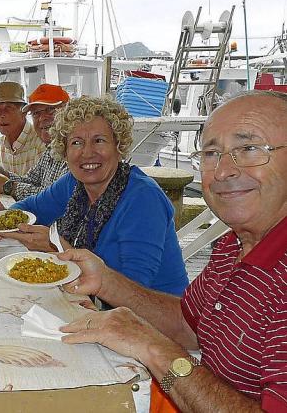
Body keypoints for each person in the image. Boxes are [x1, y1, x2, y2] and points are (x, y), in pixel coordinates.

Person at [57, 90, 287, 412]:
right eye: (211, 153)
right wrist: (105, 281)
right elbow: (190, 325)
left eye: (249, 149)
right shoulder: (232, 245)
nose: (223, 171)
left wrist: (155, 349)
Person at [0, 95, 188, 296]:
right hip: (92, 300)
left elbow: (132, 291)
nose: (87, 153)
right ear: (64, 151)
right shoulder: (74, 183)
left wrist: (56, 247)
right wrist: (0, 223)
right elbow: (31, 209)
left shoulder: (143, 199)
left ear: (118, 146)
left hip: (152, 313)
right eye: (76, 143)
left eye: (99, 140)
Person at [0, 83, 69, 199]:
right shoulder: (51, 149)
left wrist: (7, 186)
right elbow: (30, 180)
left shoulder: (72, 152)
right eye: (36, 113)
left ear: (68, 112)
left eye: (50, 110)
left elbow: (55, 198)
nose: (42, 118)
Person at [0, 81, 46, 175]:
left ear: (24, 112)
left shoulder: (41, 142)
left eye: (8, 108)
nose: (1, 115)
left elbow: (43, 185)